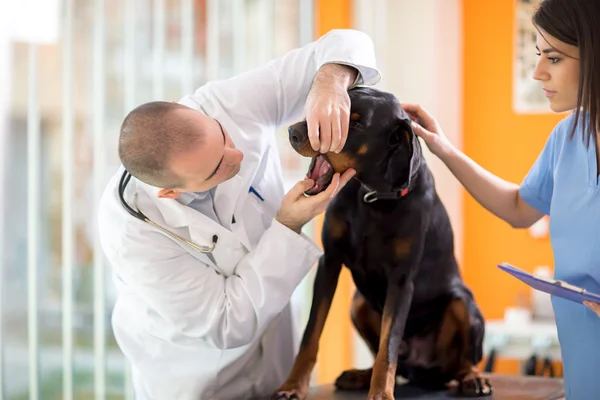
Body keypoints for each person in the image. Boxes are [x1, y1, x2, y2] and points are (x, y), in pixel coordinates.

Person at [98, 29, 381, 399]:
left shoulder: (224, 103)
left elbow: (347, 43)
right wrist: (289, 224)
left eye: (224, 138)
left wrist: (330, 82)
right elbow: (228, 321)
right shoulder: (132, 233)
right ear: (171, 192)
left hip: (276, 362)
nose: (238, 157)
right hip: (197, 381)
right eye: (217, 168)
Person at [401, 0, 600, 398]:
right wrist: (444, 150)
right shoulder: (566, 138)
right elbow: (517, 208)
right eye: (538, 54)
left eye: (554, 57)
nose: (537, 71)